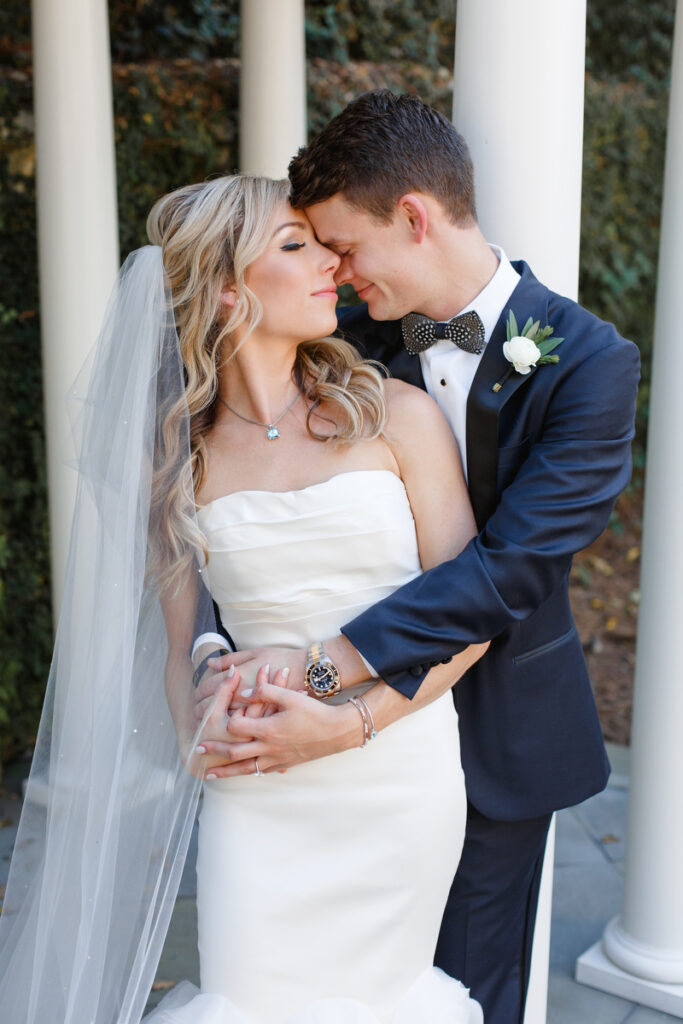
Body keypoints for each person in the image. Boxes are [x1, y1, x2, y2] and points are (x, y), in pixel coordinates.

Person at [193, 92, 641, 1024]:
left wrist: (325, 673)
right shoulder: (334, 341)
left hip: (499, 731)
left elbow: (511, 569)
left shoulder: (590, 363)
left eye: (344, 247)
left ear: (413, 216)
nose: (333, 270)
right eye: (311, 250)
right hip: (321, 762)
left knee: (461, 996)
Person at [0, 173, 486, 1024]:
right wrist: (201, 733)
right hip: (254, 785)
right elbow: (180, 639)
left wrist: (349, 719)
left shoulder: (397, 416)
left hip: (395, 770)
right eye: (295, 246)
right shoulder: (177, 465)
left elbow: (471, 619)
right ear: (227, 293)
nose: (329, 263)